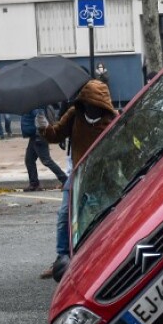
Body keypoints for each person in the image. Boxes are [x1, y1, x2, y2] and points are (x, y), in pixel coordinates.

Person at [38, 79, 117, 278]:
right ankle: (61, 259)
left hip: (102, 177)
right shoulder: (75, 114)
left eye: (94, 106)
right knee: (65, 214)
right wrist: (44, 127)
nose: (90, 109)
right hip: (78, 173)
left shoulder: (113, 120)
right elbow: (56, 134)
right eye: (87, 104)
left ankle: (102, 258)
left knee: (101, 218)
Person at [22, 107, 67, 191]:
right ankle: (34, 183)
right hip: (34, 136)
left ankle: (65, 180)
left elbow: (40, 118)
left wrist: (39, 134)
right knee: (29, 160)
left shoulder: (35, 104)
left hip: (38, 136)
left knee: (46, 160)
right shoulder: (33, 103)